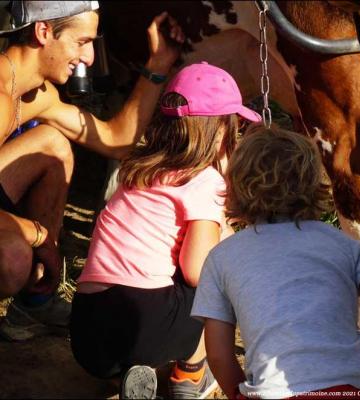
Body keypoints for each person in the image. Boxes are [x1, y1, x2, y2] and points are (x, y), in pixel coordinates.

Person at [69, 62, 261, 399]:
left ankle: (134, 374)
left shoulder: (137, 170)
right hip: (146, 324)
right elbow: (197, 270)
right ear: (218, 131)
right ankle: (190, 376)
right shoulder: (204, 180)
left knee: (158, 278)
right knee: (219, 275)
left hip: (88, 335)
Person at [0, 0, 184, 341]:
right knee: (12, 258)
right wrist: (39, 236)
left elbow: (115, 141)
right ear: (43, 32)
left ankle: (33, 305)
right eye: (82, 42)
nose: (87, 58)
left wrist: (158, 63)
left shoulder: (38, 96)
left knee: (52, 142)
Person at [191, 125, 360, 400]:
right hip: (356, 390)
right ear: (315, 184)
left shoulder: (222, 257)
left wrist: (238, 393)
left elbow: (218, 355)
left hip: (275, 393)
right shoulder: (343, 244)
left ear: (235, 188)